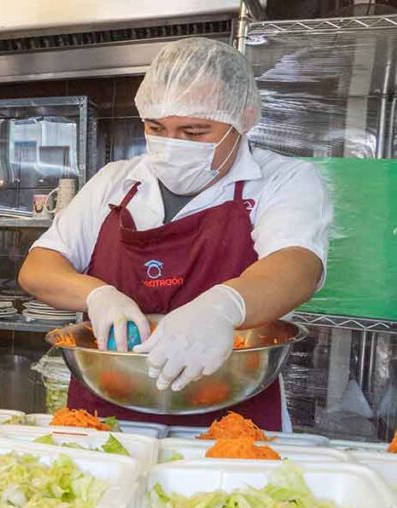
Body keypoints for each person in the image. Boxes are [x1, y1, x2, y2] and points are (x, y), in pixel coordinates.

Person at [18, 38, 332, 431]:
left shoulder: (283, 180)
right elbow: (39, 267)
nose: (172, 146)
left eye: (194, 131)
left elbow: (297, 266)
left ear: (245, 118)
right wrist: (97, 295)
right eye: (156, 128)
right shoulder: (114, 181)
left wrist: (222, 307)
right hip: (105, 413)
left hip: (231, 417)